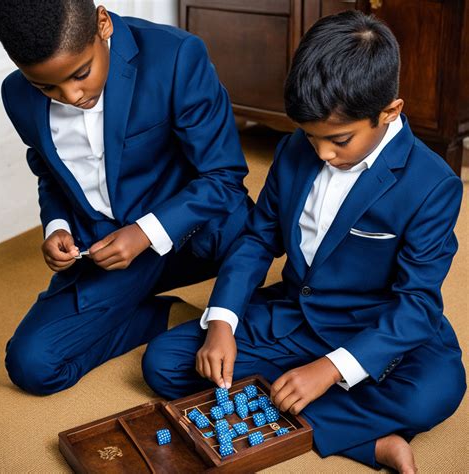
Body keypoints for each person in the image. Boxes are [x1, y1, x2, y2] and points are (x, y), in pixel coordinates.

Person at [144, 10, 466, 473]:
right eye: (311, 136)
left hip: (374, 328)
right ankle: (369, 443)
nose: (321, 153)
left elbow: (416, 305)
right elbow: (258, 238)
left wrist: (330, 369)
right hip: (296, 316)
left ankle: (307, 405)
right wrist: (221, 322)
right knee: (166, 363)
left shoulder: (433, 184)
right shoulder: (296, 148)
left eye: (338, 140)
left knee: (436, 391)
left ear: (389, 111)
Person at [0, 0, 252, 395]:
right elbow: (48, 171)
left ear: (103, 24)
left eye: (81, 73)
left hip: (192, 235)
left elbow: (224, 175)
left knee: (253, 227)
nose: (70, 95)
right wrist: (56, 226)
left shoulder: (176, 56)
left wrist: (145, 232)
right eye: (46, 86)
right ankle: (167, 317)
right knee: (32, 365)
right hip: (103, 248)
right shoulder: (15, 94)